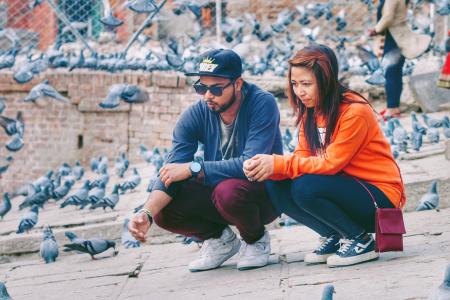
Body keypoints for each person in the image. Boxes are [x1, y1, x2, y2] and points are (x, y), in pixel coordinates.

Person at [243, 44, 405, 267]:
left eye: (307, 84)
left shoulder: (354, 111)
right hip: (348, 188)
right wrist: (268, 167)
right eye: (295, 84)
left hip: (380, 199)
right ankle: (335, 235)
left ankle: (359, 239)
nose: (300, 91)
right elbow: (301, 157)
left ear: (326, 79)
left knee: (305, 186)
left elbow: (331, 164)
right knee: (275, 183)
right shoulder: (311, 111)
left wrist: (278, 162)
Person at [128, 49, 283, 272]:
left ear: (237, 84)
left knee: (227, 191)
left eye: (216, 88)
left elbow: (250, 164)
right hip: (221, 192)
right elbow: (171, 170)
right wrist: (147, 214)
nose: (207, 95)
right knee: (163, 209)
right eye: (201, 87)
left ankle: (255, 240)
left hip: (263, 194)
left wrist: (194, 168)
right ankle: (221, 241)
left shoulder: (262, 103)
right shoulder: (196, 113)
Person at [368, 0, 431, 118]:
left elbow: (388, 17)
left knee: (390, 74)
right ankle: (394, 108)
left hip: (394, 39)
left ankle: (392, 108)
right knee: (395, 73)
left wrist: (375, 30)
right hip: (396, 37)